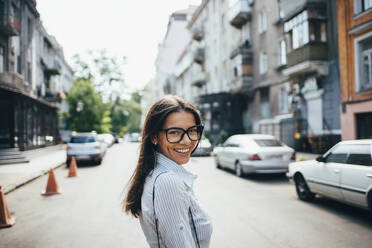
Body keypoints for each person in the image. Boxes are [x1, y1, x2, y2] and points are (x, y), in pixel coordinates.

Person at [123, 95, 213, 248]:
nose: (187, 141)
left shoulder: (158, 174)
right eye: (174, 132)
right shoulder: (167, 182)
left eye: (192, 130)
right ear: (154, 137)